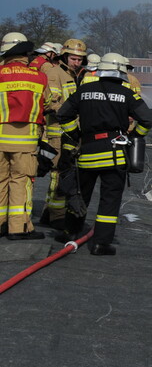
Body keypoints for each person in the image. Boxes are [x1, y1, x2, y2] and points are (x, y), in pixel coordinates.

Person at [56, 53, 152, 255]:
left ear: (101, 69)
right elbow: (147, 120)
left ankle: (70, 234)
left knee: (80, 194)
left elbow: (63, 114)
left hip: (87, 152)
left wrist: (75, 133)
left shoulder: (84, 90)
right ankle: (101, 243)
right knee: (110, 199)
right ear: (121, 72)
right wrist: (134, 136)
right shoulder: (127, 94)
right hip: (114, 154)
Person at [0, 32, 54, 240]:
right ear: (25, 53)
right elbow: (48, 104)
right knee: (21, 181)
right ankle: (19, 227)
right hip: (25, 140)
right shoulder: (39, 77)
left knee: (1, 180)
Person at [38, 38, 87, 228]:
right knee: (59, 174)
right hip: (57, 133)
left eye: (80, 59)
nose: (77, 62)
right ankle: (57, 216)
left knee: (69, 174)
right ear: (65, 56)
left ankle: (48, 214)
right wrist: (72, 112)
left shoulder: (80, 75)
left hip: (73, 133)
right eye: (74, 59)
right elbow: (50, 103)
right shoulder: (55, 73)